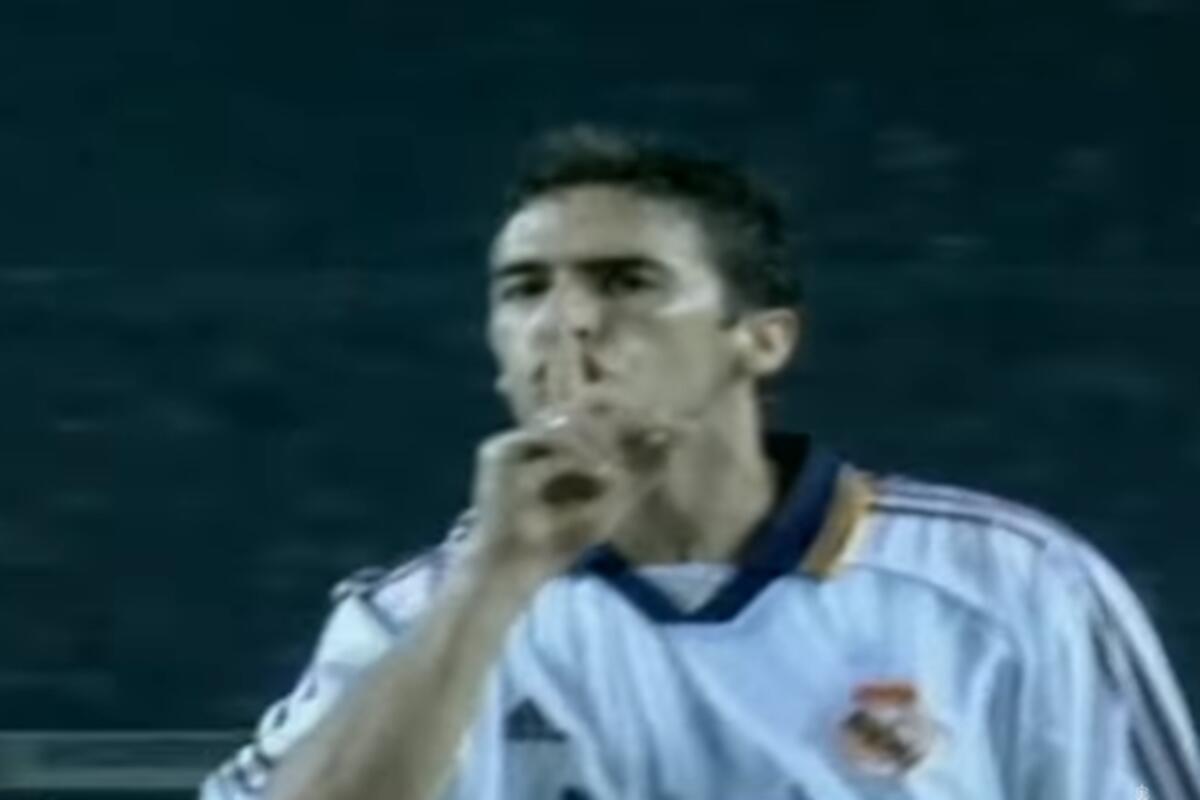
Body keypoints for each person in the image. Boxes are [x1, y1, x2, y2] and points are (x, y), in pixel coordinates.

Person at [200, 126, 1199, 800]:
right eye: (525, 288)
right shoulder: (415, 618)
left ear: (762, 340)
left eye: (626, 280)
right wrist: (493, 580)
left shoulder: (1012, 583)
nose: (567, 320)